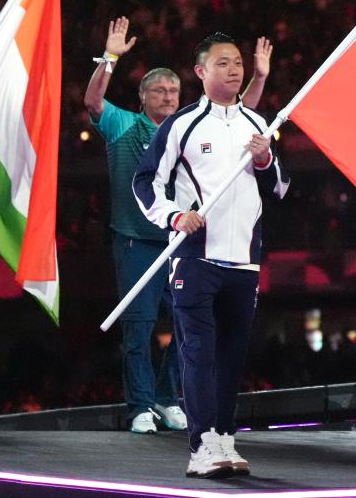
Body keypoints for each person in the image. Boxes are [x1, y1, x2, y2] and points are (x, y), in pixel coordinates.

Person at [86, 17, 272, 435]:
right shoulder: (125, 125)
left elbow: (242, 117)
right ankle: (140, 406)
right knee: (139, 327)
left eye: (173, 90)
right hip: (136, 241)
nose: (168, 96)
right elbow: (94, 100)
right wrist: (110, 56)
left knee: (188, 325)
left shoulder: (185, 127)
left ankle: (167, 398)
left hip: (183, 242)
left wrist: (258, 78)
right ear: (142, 97)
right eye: (159, 90)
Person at [133, 32, 289, 479]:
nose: (234, 70)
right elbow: (145, 182)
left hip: (244, 260)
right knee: (198, 352)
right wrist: (174, 216)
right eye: (223, 63)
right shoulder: (181, 125)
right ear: (200, 71)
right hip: (195, 259)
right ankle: (201, 444)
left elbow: (280, 186)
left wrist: (265, 161)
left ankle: (223, 437)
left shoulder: (256, 123)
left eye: (237, 62)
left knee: (231, 357)